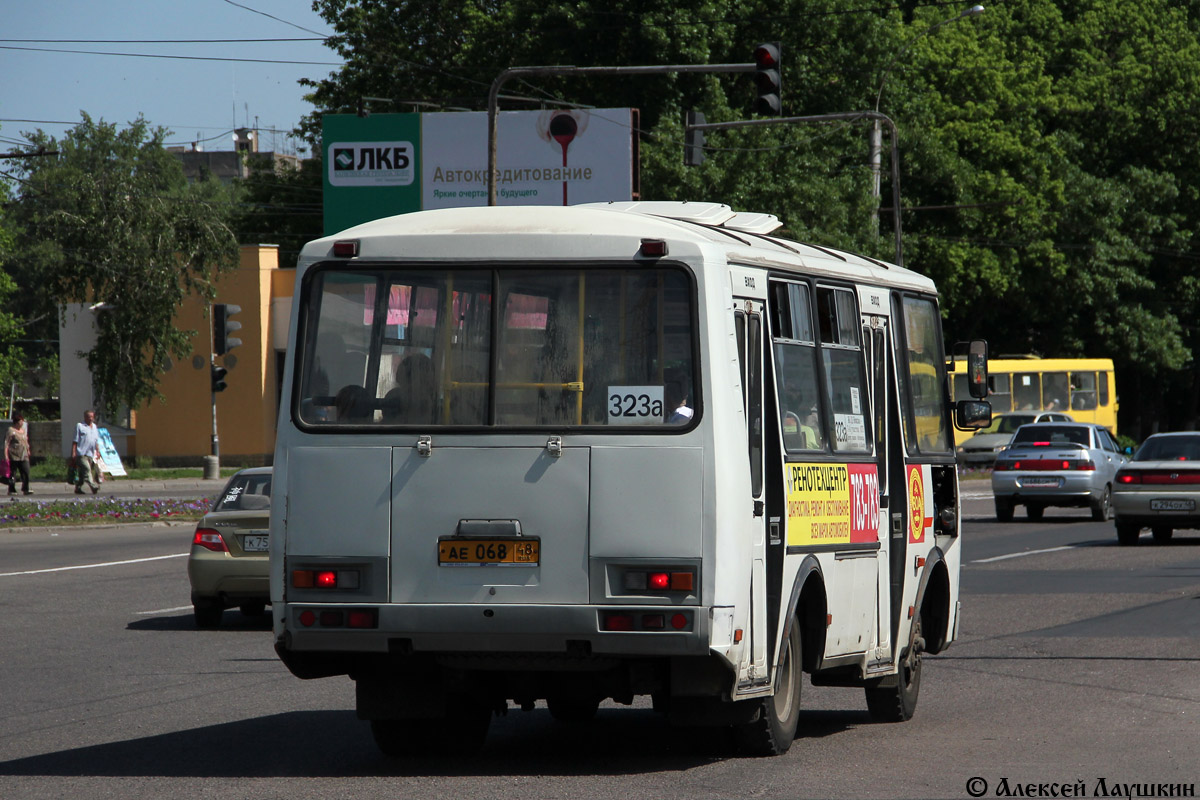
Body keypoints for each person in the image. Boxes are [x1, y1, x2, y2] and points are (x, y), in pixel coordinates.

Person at [71, 409, 102, 495]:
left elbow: (96, 441)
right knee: (87, 470)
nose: (91, 418)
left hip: (90, 454)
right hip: (81, 453)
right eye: (89, 417)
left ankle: (78, 488)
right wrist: (73, 453)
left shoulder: (95, 427)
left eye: (92, 417)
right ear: (85, 417)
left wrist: (98, 451)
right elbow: (75, 441)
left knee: (82, 473)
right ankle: (93, 486)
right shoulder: (80, 426)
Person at [4, 413, 32, 496]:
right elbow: (7, 443)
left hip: (24, 455)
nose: (22, 422)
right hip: (14, 455)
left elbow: (25, 441)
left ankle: (25, 488)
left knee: (26, 471)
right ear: (16, 422)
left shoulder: (23, 431)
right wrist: (6, 455)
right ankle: (12, 489)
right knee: (13, 473)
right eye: (21, 421)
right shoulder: (11, 430)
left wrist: (28, 449)